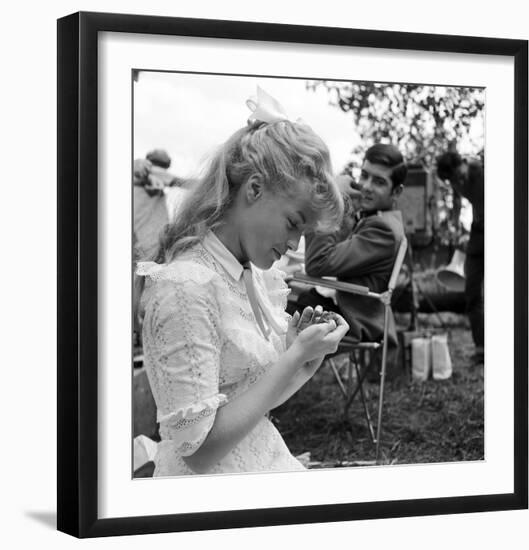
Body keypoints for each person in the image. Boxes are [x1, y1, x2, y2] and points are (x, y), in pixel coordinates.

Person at [135, 88, 349, 476]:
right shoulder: (186, 288)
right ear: (253, 189)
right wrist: (294, 357)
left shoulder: (248, 275)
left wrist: (302, 357)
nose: (294, 244)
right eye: (293, 223)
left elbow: (253, 408)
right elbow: (197, 452)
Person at [302, 144, 407, 378]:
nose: (367, 187)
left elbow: (318, 263)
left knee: (273, 322)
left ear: (397, 192)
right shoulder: (380, 220)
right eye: (365, 175)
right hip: (343, 306)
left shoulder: (383, 230)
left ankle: (258, 404)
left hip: (352, 318)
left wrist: (334, 198)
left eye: (379, 182)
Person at [437, 151, 484, 364]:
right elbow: (459, 202)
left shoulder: (485, 170)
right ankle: (481, 349)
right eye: (452, 180)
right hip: (477, 232)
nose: (457, 181)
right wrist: (458, 227)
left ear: (464, 162)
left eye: (457, 175)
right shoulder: (456, 180)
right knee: (472, 291)